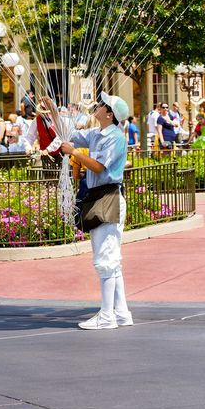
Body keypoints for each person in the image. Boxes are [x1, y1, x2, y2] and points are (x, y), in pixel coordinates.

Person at [43, 91, 133, 331]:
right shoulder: (97, 133)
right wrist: (52, 109)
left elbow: (99, 166)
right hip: (100, 196)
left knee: (106, 259)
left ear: (109, 114)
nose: (98, 105)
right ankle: (121, 312)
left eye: (102, 104)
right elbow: (69, 133)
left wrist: (74, 153)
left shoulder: (114, 137)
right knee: (112, 260)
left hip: (108, 196)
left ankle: (107, 315)